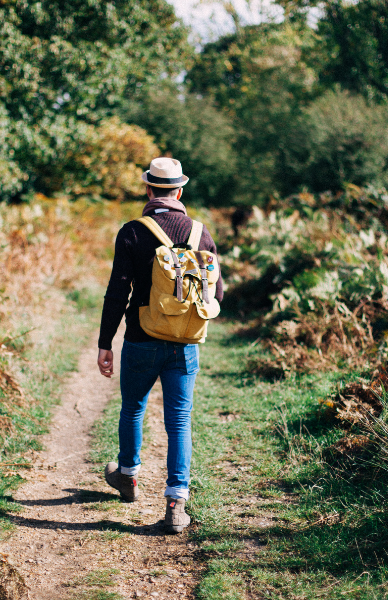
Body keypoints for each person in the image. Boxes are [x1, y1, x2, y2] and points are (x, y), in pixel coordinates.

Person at [96, 157, 223, 533]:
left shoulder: (133, 231)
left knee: (133, 408)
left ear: (149, 190)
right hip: (185, 343)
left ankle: (128, 477)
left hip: (140, 337)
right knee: (179, 420)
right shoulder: (201, 233)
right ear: (179, 191)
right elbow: (217, 292)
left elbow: (117, 292)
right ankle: (175, 503)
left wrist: (106, 342)